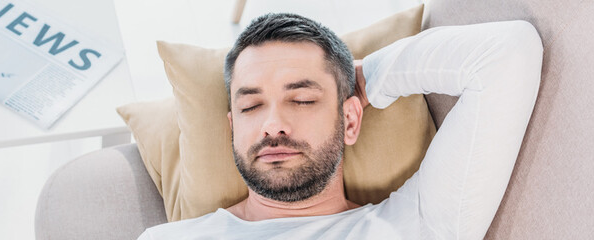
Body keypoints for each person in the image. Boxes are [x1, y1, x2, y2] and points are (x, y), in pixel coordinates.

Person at [138, 13, 543, 239]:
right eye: (251, 105)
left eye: (302, 99)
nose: (272, 124)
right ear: (231, 129)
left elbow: (507, 55)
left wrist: (367, 77)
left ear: (350, 119)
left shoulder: (415, 225)